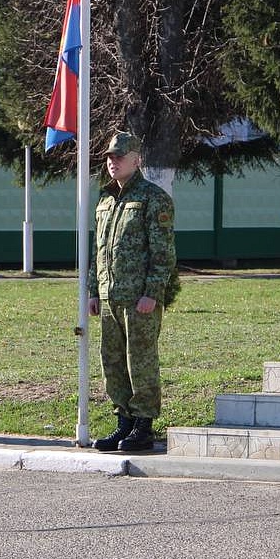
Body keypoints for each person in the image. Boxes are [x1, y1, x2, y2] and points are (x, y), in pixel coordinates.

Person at [87, 131, 177, 453]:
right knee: (111, 361)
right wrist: (93, 290)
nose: (113, 162)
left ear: (136, 160)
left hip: (139, 299)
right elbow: (96, 250)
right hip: (110, 297)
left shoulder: (153, 198)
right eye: (110, 157)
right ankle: (123, 420)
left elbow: (163, 253)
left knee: (139, 361)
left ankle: (143, 425)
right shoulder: (105, 200)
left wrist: (152, 292)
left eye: (119, 156)